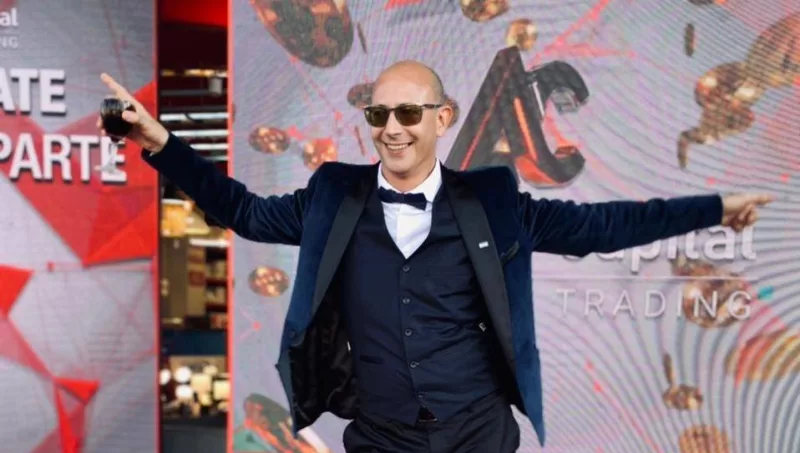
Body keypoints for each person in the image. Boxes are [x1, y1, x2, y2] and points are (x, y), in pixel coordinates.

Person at [98, 61, 773, 453]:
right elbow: (243, 211)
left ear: (443, 118)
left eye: (409, 114)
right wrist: (160, 141)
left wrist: (715, 207)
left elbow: (602, 225)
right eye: (379, 115)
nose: (392, 129)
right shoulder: (332, 197)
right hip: (380, 437)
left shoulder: (493, 200)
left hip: (478, 436)